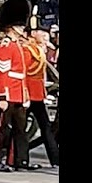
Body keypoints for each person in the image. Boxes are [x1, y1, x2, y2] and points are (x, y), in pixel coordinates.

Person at [0, 0, 31, 173]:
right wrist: (2, 96)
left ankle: (18, 160)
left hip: (18, 92)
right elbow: (1, 73)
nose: (22, 29)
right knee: (1, 129)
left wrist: (25, 95)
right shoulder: (5, 46)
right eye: (19, 26)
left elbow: (22, 74)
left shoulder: (17, 45)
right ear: (11, 27)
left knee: (20, 129)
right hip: (7, 92)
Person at [22, 28, 58, 169]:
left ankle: (55, 158)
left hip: (36, 93)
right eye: (40, 32)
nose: (44, 35)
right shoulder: (28, 49)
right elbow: (22, 72)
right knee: (21, 128)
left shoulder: (35, 49)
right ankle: (19, 158)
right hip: (27, 92)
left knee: (45, 126)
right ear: (33, 34)